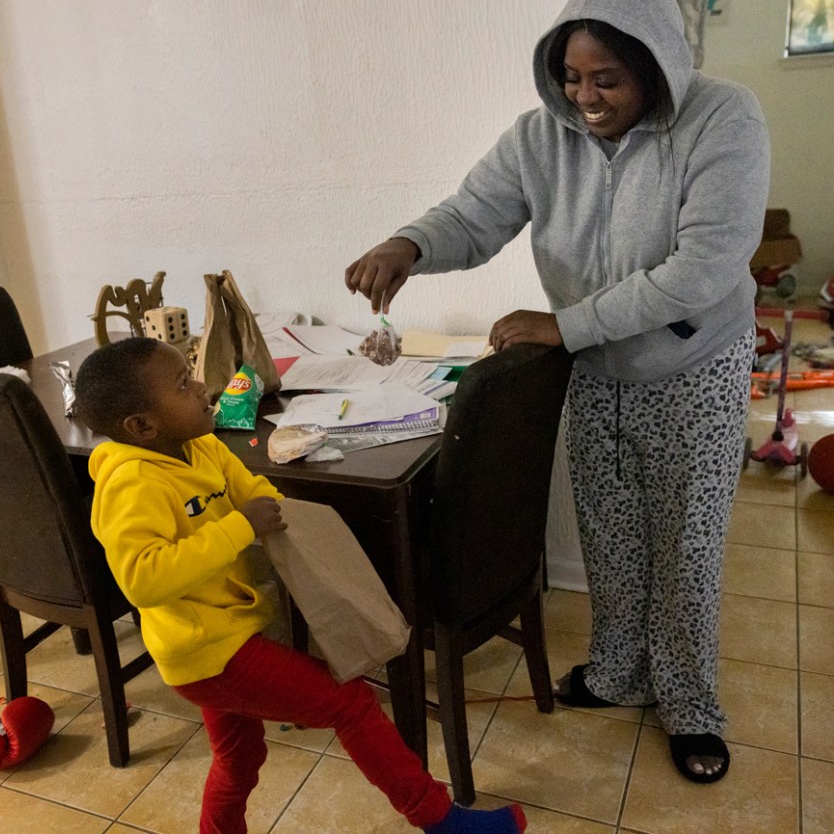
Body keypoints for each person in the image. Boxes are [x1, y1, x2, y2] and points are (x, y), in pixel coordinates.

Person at [344, 0, 769, 785]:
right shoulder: (542, 137)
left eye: (605, 78)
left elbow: (703, 269)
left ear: (652, 64)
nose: (585, 97)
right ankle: (616, 672)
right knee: (611, 531)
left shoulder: (725, 120)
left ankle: (688, 702)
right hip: (597, 368)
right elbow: (475, 211)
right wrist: (412, 244)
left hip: (695, 366)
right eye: (571, 77)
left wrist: (564, 324)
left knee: (683, 545)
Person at [73, 337, 527, 834]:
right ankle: (438, 819)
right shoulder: (131, 485)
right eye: (184, 385)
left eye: (192, 373)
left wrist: (272, 513)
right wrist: (239, 527)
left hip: (236, 630)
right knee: (351, 704)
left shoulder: (201, 446)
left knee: (240, 757)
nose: (203, 388)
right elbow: (143, 580)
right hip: (205, 651)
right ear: (142, 426)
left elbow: (254, 490)